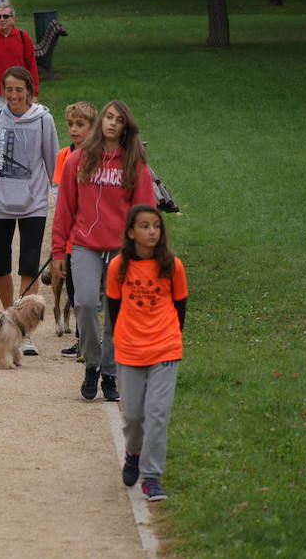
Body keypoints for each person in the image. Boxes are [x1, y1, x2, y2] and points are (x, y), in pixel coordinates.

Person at [50, 100, 156, 402]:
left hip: (122, 248)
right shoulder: (78, 159)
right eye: (108, 117)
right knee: (84, 303)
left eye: (118, 120)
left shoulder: (134, 164)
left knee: (116, 314)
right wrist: (58, 251)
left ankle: (109, 372)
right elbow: (64, 209)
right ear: (101, 121)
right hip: (85, 244)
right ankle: (92, 364)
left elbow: (145, 211)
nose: (111, 123)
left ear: (125, 128)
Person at [0, 66, 57, 356]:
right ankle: (10, 316)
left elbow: (54, 165)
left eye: (19, 89)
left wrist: (60, 203)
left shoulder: (44, 120)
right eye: (8, 89)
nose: (13, 95)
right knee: (0, 266)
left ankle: (24, 327)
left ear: (29, 91)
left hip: (33, 203)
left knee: (29, 265)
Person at [107, 204, 187, 502]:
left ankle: (151, 476)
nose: (152, 231)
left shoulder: (173, 266)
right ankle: (133, 453)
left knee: (157, 414)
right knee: (132, 416)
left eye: (156, 226)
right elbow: (114, 309)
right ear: (131, 232)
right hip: (129, 350)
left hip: (165, 348)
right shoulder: (118, 267)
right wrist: (125, 339)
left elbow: (180, 307)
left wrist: (169, 338)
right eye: (144, 226)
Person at [51, 101, 98, 361]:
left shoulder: (102, 157)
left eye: (80, 124)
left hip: (94, 237)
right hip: (72, 235)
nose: (74, 129)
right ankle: (83, 341)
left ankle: (89, 342)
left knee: (89, 293)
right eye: (70, 124)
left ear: (93, 127)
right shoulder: (64, 155)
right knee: (74, 290)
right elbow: (59, 195)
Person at [0, 3, 39, 112]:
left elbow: (31, 66)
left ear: (13, 18)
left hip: (20, 92)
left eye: (5, 16)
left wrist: (34, 93)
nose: (2, 19)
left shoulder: (23, 37)